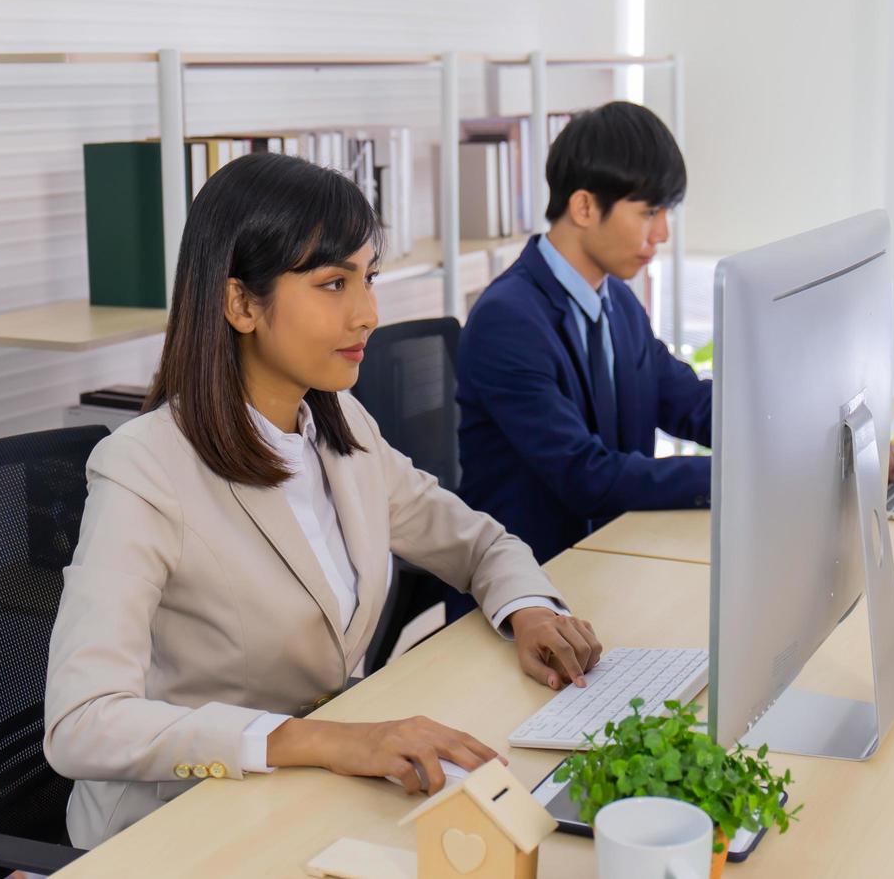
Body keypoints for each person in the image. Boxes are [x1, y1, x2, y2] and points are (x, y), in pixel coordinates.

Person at [44, 153, 602, 848]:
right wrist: (322, 741)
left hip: (315, 793)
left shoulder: (338, 427)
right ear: (240, 303)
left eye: (369, 278)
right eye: (333, 283)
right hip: (183, 824)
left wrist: (528, 609)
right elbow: (82, 723)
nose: (368, 314)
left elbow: (477, 542)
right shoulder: (143, 470)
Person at [454, 102, 894, 618]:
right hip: (534, 588)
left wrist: (811, 436)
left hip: (614, 563)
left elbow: (690, 404)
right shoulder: (508, 320)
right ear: (583, 208)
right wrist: (756, 472)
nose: (661, 234)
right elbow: (586, 477)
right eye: (648, 213)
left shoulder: (615, 301)